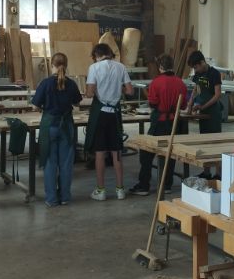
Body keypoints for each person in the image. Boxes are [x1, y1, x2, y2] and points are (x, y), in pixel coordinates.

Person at [129, 54, 187, 196]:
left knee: (146, 151)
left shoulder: (156, 82)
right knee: (169, 152)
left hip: (160, 120)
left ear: (160, 67)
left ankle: (144, 185)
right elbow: (183, 105)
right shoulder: (180, 83)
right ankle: (166, 184)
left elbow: (153, 102)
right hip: (174, 122)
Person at [32, 53, 83, 207]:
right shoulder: (71, 84)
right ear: (66, 65)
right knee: (66, 164)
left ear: (51, 65)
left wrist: (44, 107)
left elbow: (35, 106)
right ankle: (65, 197)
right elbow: (77, 103)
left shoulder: (45, 83)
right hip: (66, 126)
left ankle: (52, 199)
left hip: (50, 126)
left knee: (50, 163)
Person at [84, 43, 133, 201]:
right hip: (115, 114)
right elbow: (130, 91)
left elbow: (89, 93)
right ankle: (120, 190)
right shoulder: (121, 67)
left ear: (96, 55)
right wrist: (118, 88)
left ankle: (101, 191)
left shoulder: (94, 68)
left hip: (101, 114)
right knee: (116, 152)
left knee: (100, 153)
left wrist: (94, 88)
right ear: (110, 53)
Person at [186, 51, 223, 179]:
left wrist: (203, 106)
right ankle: (206, 172)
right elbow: (196, 90)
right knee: (205, 143)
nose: (195, 70)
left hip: (213, 113)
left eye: (196, 67)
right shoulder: (198, 73)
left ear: (202, 62)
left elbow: (217, 95)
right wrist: (190, 104)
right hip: (203, 112)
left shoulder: (214, 73)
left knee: (215, 143)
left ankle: (218, 174)